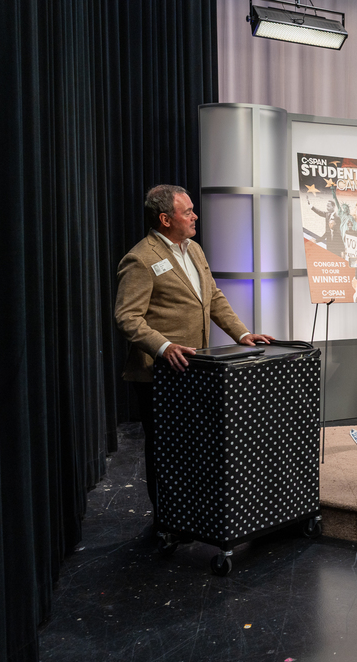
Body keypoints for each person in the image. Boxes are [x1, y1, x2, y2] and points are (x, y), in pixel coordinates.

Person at [115, 184, 274, 521]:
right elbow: (127, 317)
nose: (195, 216)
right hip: (159, 373)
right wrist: (164, 347)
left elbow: (213, 297)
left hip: (196, 368)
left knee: (193, 446)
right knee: (165, 450)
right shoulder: (141, 258)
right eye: (187, 211)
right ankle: (167, 521)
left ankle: (194, 513)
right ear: (165, 219)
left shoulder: (195, 250)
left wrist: (242, 334)